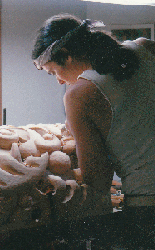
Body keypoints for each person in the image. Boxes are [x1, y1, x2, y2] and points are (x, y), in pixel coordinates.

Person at [32, 13, 155, 249]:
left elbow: (97, 179)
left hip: (147, 205)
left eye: (53, 72)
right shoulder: (144, 47)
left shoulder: (80, 93)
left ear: (67, 56)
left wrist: (81, 131)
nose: (58, 81)